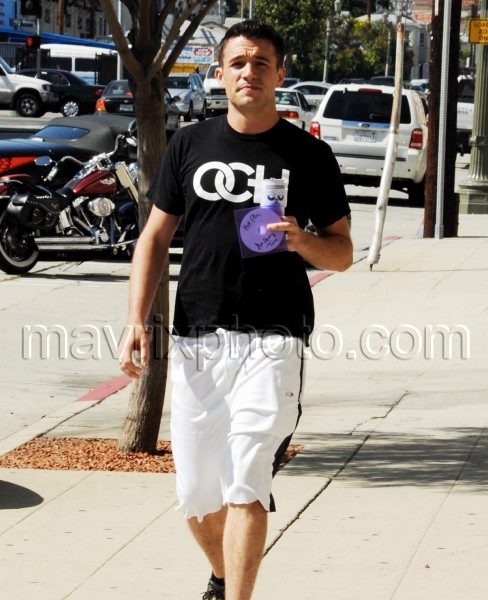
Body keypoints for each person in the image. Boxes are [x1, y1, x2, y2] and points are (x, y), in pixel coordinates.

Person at [119, 20, 353, 600]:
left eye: (262, 62)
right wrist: (135, 322)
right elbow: (152, 238)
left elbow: (344, 252)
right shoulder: (190, 144)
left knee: (247, 479)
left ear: (279, 74)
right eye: (239, 63)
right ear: (220, 74)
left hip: (275, 335)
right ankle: (223, 577)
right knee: (196, 494)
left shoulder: (310, 155)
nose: (251, 72)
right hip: (198, 333)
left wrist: (303, 242)